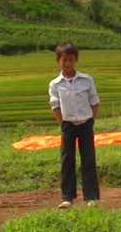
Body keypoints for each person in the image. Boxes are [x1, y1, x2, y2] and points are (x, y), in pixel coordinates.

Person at [48, 42, 101, 208]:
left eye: (71, 60)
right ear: (58, 60)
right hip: (68, 125)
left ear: (76, 60)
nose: (68, 64)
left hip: (85, 123)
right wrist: (62, 123)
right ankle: (67, 197)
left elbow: (94, 101)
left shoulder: (86, 80)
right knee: (67, 160)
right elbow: (55, 105)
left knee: (88, 159)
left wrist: (91, 120)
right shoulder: (55, 84)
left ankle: (91, 197)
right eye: (64, 60)